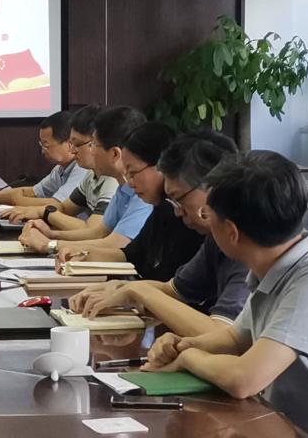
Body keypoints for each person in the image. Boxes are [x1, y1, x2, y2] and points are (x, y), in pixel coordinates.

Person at [143, 151, 308, 438]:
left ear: (231, 231)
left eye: (209, 215)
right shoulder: (274, 268)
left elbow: (244, 380)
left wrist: (189, 358)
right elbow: (236, 338)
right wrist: (185, 345)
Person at [70, 131, 249, 336]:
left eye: (179, 199)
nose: (177, 211)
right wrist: (120, 288)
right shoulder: (215, 238)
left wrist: (137, 290)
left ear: (212, 187)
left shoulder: (249, 241)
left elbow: (222, 334)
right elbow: (172, 290)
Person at [55, 122, 203, 280]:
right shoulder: (163, 208)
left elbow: (175, 287)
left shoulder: (191, 219)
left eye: (133, 173)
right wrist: (83, 253)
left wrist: (128, 289)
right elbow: (130, 254)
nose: (130, 183)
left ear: (162, 166)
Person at [19, 105, 152, 255]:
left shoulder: (143, 192)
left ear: (115, 154)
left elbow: (116, 244)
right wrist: (51, 234)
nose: (91, 151)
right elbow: (99, 233)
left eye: (94, 145)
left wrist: (49, 245)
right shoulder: (123, 188)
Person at [1, 104, 118, 229]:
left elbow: (92, 230)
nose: (72, 150)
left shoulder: (113, 180)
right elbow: (64, 207)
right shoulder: (91, 175)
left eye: (77, 144)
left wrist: (46, 222)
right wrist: (33, 211)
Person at [0, 111, 87, 207]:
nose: (43, 151)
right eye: (41, 145)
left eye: (46, 145)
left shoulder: (82, 169)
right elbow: (33, 192)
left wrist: (16, 200)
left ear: (69, 144)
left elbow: (57, 204)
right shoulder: (60, 169)